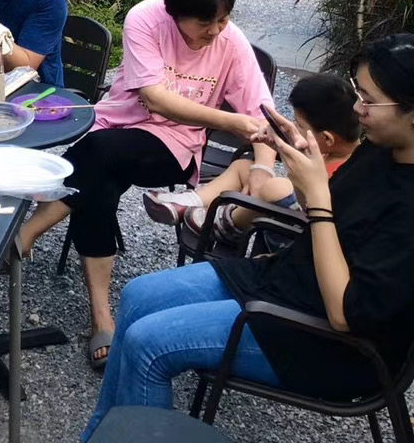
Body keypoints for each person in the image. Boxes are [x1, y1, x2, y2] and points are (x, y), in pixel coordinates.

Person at [81, 33, 414, 439]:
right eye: (358, 94)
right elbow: (335, 222)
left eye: (369, 100)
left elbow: (345, 315)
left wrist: (319, 198)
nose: (358, 109)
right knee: (137, 295)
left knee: (147, 345)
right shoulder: (382, 148)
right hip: (289, 282)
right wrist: (305, 168)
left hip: (334, 345)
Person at [19, 0, 275, 370]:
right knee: (100, 179)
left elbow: (262, 114)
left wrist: (262, 170)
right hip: (116, 125)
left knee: (96, 156)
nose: (217, 31)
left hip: (173, 147)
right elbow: (153, 98)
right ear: (175, 16)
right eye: (206, 23)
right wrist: (229, 121)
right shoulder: (146, 17)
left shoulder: (231, 41)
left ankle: (24, 233)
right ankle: (102, 316)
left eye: (224, 20)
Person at [144, 70, 360, 244]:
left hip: (297, 234)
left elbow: (316, 210)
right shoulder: (333, 150)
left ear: (328, 139)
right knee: (245, 166)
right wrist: (275, 147)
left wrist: (279, 170)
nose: (294, 127)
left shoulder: (346, 172)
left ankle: (225, 225)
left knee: (275, 187)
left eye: (299, 125)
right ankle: (189, 203)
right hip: (292, 216)